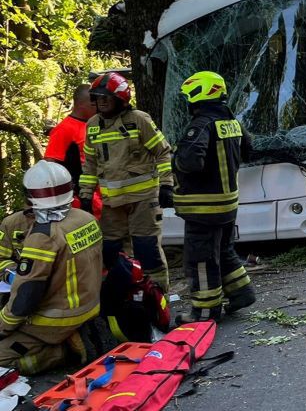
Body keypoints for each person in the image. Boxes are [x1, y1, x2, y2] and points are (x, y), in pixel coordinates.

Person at [0, 161, 103, 374]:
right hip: (89, 306)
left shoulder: (43, 236)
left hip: (54, 319)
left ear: (30, 195)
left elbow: (26, 297)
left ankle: (63, 352)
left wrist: (3, 326)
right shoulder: (86, 219)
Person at [172, 71, 257, 324]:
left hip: (203, 208)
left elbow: (189, 162)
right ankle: (242, 293)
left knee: (201, 259)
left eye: (189, 97)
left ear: (199, 95)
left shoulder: (201, 124)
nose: (188, 103)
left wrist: (174, 159)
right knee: (224, 250)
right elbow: (249, 150)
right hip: (227, 204)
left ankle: (204, 311)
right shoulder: (232, 122)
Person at [79, 72, 172, 291]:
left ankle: (159, 295)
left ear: (120, 98)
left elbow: (163, 152)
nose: (100, 102)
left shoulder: (139, 119)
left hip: (143, 199)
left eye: (106, 97)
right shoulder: (93, 125)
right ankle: (123, 292)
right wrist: (85, 195)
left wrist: (166, 184)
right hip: (112, 203)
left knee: (146, 247)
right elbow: (90, 165)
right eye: (97, 97)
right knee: (110, 250)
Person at [44, 84, 100, 215]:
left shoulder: (96, 124)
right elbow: (50, 165)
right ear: (81, 105)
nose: (98, 107)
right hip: (82, 200)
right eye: (94, 104)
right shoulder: (63, 130)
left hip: (103, 197)